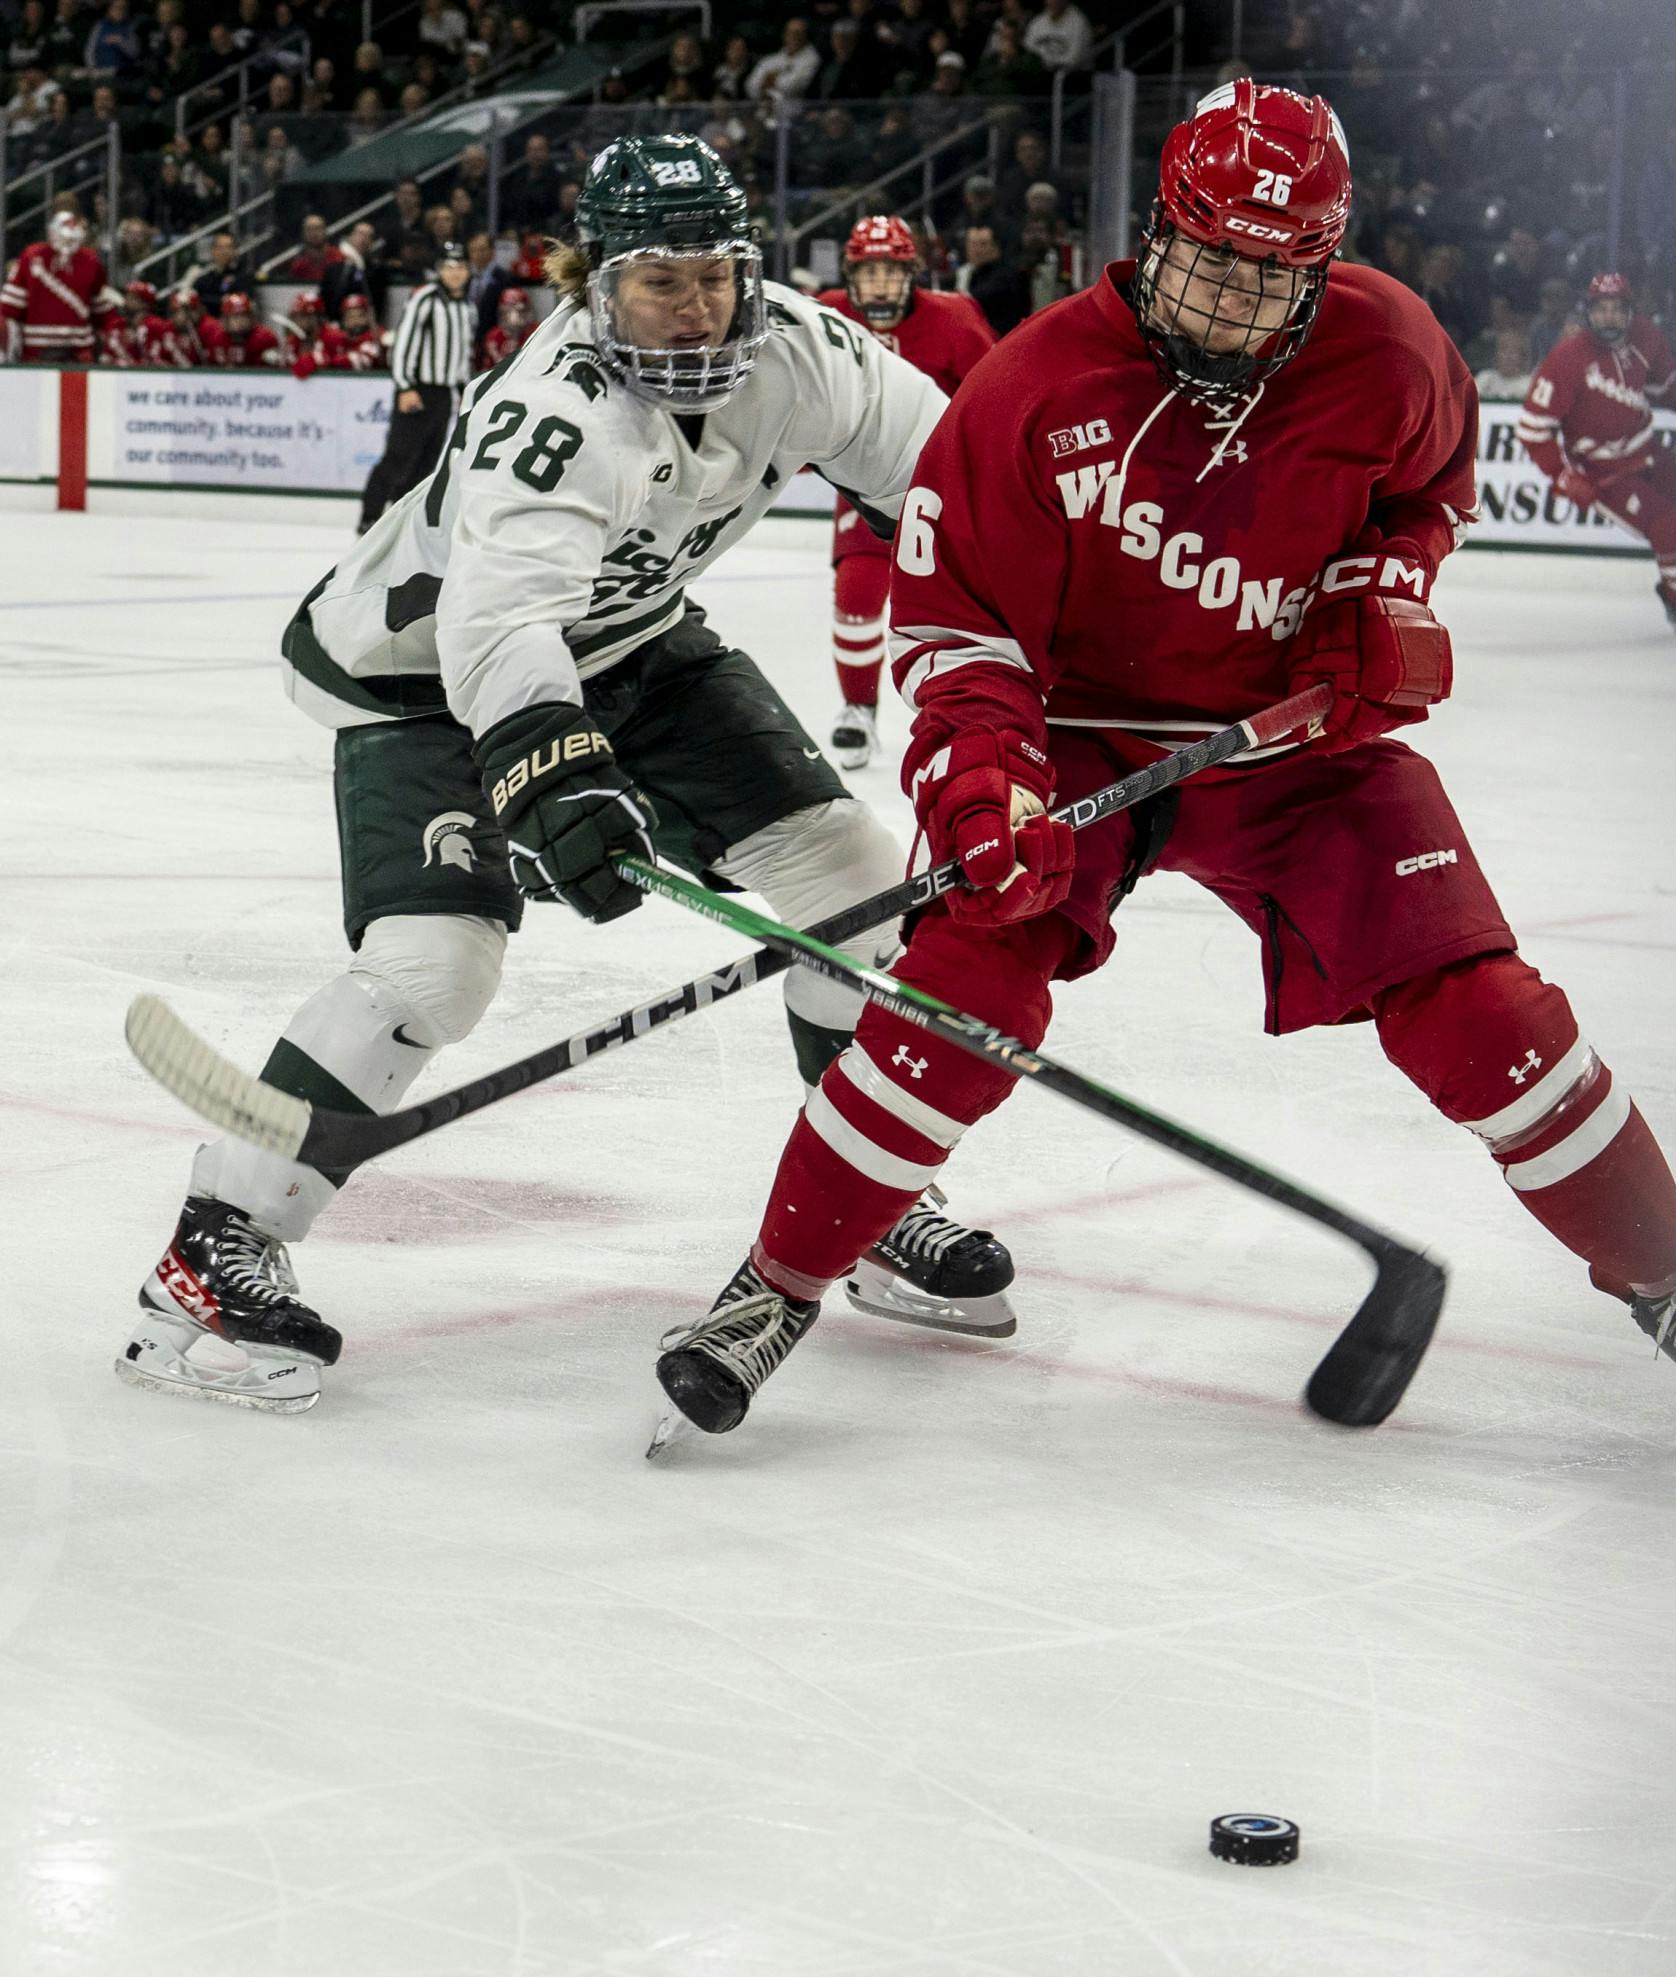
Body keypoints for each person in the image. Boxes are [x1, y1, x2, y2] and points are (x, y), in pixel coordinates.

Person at [651, 81, 1676, 1452]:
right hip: (1074, 739)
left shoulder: (1391, 348)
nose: (1226, 306)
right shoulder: (1034, 387)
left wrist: (1373, 605)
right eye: (1207, 264)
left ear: (1319, 268)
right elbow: (959, 624)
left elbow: (1426, 493)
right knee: (964, 986)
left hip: (1296, 745)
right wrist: (985, 785)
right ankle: (773, 1290)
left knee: (1483, 1007)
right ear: (1160, 235)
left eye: (1269, 280)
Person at [118, 135, 1018, 1418]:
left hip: (635, 643)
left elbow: (968, 475)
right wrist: (559, 782)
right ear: (594, 281)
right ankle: (216, 1239)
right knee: (439, 963)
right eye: (660, 281)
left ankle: (865, 1199)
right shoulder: (555, 414)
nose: (696, 307)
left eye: (714, 275)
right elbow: (498, 629)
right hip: (424, 672)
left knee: (859, 888)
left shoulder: (803, 354)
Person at [814, 214, 995, 769]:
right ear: (850, 276)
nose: (879, 287)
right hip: (866, 480)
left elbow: (994, 391)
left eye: (890, 274)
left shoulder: (955, 321)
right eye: (867, 275)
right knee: (857, 596)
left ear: (912, 274)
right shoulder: (825, 312)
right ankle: (858, 710)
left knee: (968, 612)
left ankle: (973, 715)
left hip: (945, 485)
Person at [1520, 271, 1676, 642]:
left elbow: (1669, 390)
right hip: (1602, 469)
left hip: (1648, 451)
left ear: (1631, 312)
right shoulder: (1568, 358)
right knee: (1670, 528)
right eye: (1601, 310)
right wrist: (1564, 476)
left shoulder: (1647, 337)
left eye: (1617, 309)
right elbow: (1533, 428)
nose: (1609, 317)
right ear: (1588, 312)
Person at [357, 240, 475, 531]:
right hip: (417, 389)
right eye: (449, 267)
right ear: (438, 271)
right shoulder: (425, 299)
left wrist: (462, 389)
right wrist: (405, 386)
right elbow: (403, 345)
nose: (456, 273)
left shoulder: (467, 307)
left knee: (427, 463)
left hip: (443, 394)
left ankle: (403, 520)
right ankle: (370, 515)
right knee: (398, 456)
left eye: (461, 267)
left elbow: (463, 352)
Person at [1, 207, 119, 361]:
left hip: (78, 352)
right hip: (36, 351)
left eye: (72, 238)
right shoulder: (31, 257)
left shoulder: (90, 261)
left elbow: (102, 312)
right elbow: (9, 309)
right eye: (64, 237)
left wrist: (112, 333)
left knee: (75, 385)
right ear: (51, 233)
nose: (68, 243)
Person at [205, 287, 283, 366]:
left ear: (251, 317)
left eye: (244, 316)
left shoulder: (265, 338)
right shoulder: (216, 338)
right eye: (235, 316)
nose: (240, 321)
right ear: (225, 319)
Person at [280, 287, 348, 376]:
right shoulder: (293, 340)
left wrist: (316, 360)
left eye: (304, 316)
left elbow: (343, 367)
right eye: (296, 316)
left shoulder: (334, 337)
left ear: (318, 317)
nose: (298, 321)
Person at [477, 281, 535, 368]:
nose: (514, 316)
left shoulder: (534, 333)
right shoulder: (493, 336)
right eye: (508, 311)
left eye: (520, 311)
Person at [336, 288, 386, 369]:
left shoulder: (377, 336)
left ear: (368, 317)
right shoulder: (337, 337)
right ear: (344, 320)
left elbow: (364, 361)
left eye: (360, 316)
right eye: (350, 317)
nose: (355, 321)